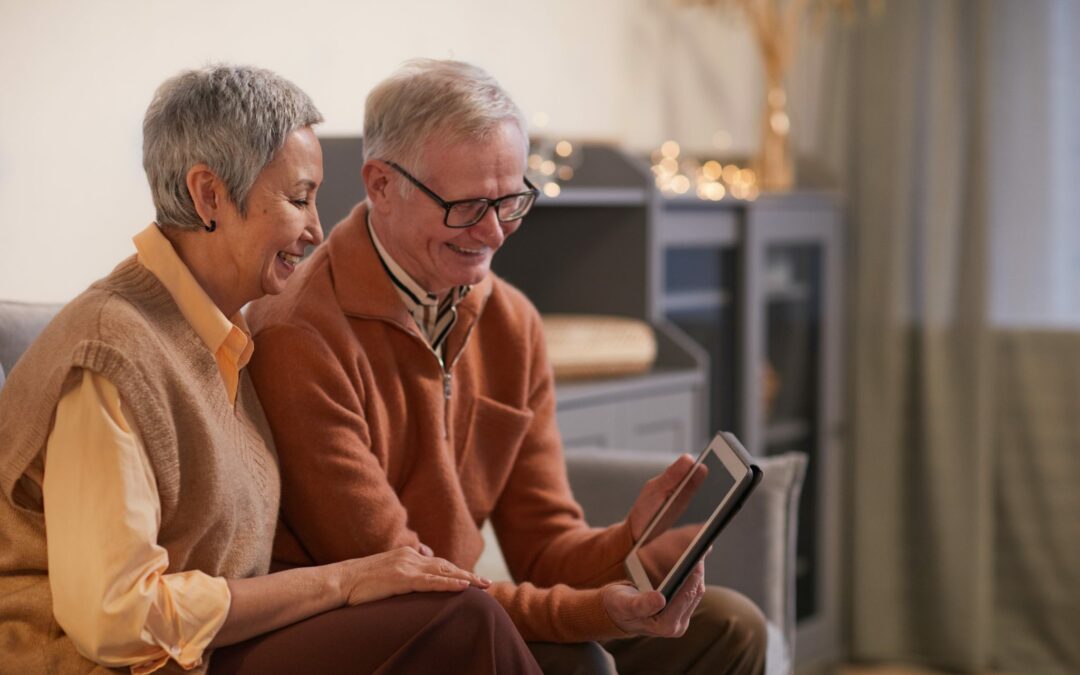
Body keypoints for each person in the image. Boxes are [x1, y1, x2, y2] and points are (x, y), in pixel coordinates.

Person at [0, 64, 541, 675]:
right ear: (209, 196)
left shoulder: (219, 335)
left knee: (494, 634)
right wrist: (340, 583)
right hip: (96, 664)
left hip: (209, 650)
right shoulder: (111, 354)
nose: (316, 228)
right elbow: (116, 619)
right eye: (298, 198)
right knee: (462, 622)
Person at [246, 58, 767, 674]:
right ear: (381, 185)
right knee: (582, 664)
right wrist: (599, 612)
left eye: (512, 201)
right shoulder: (300, 335)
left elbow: (545, 547)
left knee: (731, 628)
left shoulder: (512, 322)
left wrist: (632, 542)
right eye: (467, 206)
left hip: (462, 604)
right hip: (367, 632)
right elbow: (412, 581)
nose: (494, 233)